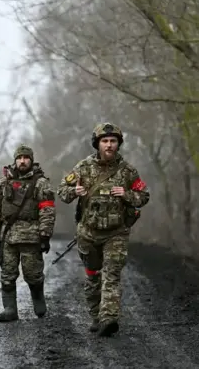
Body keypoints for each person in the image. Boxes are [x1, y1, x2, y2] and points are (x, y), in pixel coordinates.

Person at [57, 123, 150, 337]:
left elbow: (144, 196)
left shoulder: (128, 171)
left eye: (113, 141)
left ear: (118, 144)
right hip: (88, 233)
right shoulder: (83, 167)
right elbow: (62, 191)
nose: (109, 145)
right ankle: (96, 315)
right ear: (97, 143)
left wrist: (126, 194)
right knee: (92, 276)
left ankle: (109, 318)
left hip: (116, 232)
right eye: (105, 141)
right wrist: (74, 191)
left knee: (112, 273)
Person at [0, 144, 56, 322]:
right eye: (19, 158)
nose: (22, 161)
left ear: (31, 160)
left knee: (33, 274)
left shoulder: (40, 182)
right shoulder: (4, 182)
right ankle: (10, 309)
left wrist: (45, 235)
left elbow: (47, 211)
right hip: (7, 236)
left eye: (26, 158)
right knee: (7, 274)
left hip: (31, 236)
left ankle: (38, 300)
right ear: (14, 160)